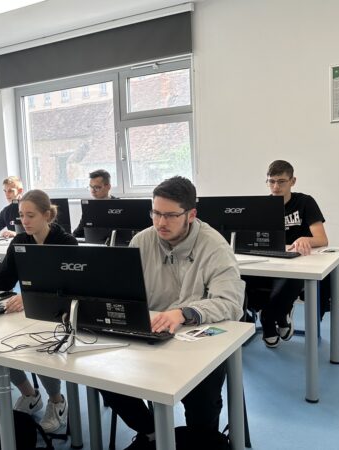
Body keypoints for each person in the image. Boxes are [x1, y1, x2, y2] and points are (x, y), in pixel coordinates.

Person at [98, 176, 244, 450]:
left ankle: (200, 440)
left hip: (199, 340)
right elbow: (123, 291)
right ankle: (151, 432)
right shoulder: (142, 241)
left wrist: (184, 312)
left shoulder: (215, 246)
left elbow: (231, 302)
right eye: (155, 213)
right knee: (103, 375)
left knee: (202, 398)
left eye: (170, 215)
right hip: (151, 333)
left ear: (191, 214)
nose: (161, 222)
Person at [0, 189, 76, 433]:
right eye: (21, 215)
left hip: (59, 314)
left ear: (47, 215)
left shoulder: (66, 242)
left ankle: (57, 401)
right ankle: (29, 394)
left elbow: (70, 287)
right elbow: (4, 279)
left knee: (40, 349)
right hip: (28, 311)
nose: (24, 221)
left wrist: (29, 297)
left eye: (30, 215)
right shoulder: (20, 241)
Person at [244, 160, 329, 348]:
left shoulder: (305, 202)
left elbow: (322, 239)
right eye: (271, 181)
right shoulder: (261, 206)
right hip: (269, 261)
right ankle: (281, 315)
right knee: (241, 277)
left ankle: (268, 318)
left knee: (290, 280)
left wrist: (306, 239)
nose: (276, 187)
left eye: (281, 181)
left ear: (293, 181)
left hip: (298, 262)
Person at [72, 169, 117, 238]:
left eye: (97, 187)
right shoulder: (89, 207)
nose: (93, 191)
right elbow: (78, 232)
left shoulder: (120, 205)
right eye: (91, 187)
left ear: (108, 187)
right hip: (93, 243)